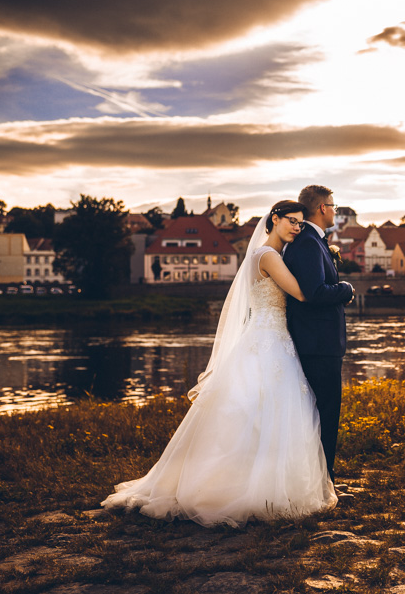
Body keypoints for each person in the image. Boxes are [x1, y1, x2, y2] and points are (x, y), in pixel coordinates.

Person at [101, 200, 337, 527]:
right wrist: (325, 275)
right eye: (292, 222)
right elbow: (301, 293)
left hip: (272, 338)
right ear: (275, 220)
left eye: (300, 223)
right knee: (264, 414)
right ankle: (247, 488)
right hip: (268, 341)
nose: (297, 228)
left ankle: (260, 482)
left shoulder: (266, 254)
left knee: (261, 414)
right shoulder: (268, 256)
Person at [283, 185, 355, 490]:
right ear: (322, 208)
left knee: (319, 413)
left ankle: (319, 479)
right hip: (319, 344)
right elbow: (313, 293)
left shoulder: (311, 241)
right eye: (334, 206)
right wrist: (346, 289)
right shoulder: (310, 244)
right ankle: (324, 482)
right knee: (325, 414)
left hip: (317, 342)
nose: (336, 212)